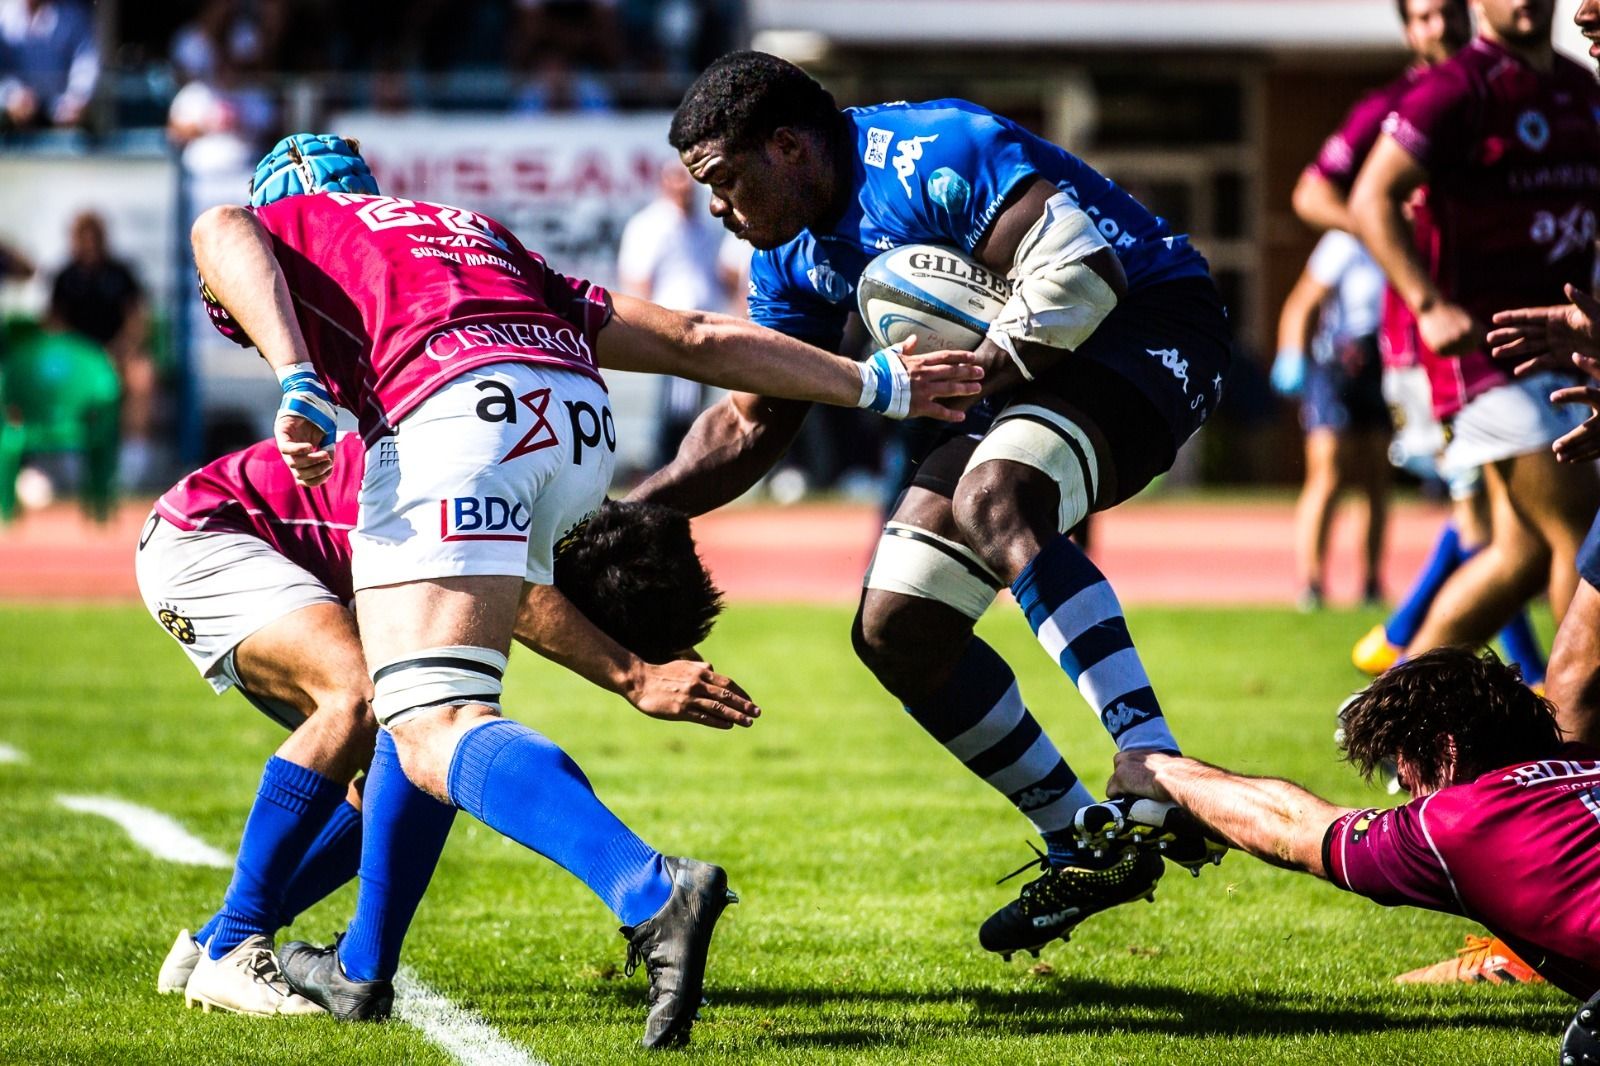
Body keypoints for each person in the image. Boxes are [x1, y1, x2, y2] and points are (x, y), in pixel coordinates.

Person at [189, 133, 979, 1045]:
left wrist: (296, 376)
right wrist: (873, 383)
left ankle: (649, 887)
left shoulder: (294, 225)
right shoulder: (466, 231)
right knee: (426, 710)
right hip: (574, 427)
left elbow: (221, 227)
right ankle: (363, 967)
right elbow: (694, 337)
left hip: (449, 412)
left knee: (435, 723)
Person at [634, 51, 1233, 961]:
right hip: (1016, 371)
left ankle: (1154, 760)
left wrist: (959, 376)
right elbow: (754, 426)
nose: (718, 208)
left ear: (788, 147)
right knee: (896, 626)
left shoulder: (932, 148)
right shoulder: (790, 255)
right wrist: (637, 511)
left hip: (1145, 323)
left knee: (999, 493)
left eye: (723, 182)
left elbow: (1081, 273)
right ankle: (1090, 843)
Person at [139, 434, 748, 1016]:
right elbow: (526, 596)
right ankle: (235, 946)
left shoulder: (561, 508)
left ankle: (223, 947)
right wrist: (633, 671)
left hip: (261, 541)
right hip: (210, 533)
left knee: (412, 745)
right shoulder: (523, 523)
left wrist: (655, 648)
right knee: (365, 698)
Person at [1106, 647, 1600, 1001]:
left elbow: (1292, 828)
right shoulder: (1586, 764)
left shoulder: (1458, 822)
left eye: (1404, 769)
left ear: (1447, 755)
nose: (1407, 792)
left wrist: (1162, 771)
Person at [1348, 0, 1600, 662]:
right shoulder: (1454, 89)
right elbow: (1368, 196)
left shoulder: (1579, 86)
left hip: (1569, 346)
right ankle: (1579, 723)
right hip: (1488, 355)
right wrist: (1427, 303)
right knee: (1579, 516)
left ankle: (1396, 717)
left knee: (1518, 555)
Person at [1271, 230, 1391, 610]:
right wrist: (1291, 352)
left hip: (1383, 362)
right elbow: (1302, 303)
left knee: (1376, 473)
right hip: (1338, 363)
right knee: (1328, 473)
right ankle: (1311, 582)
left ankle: (1372, 582)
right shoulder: (1344, 242)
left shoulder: (1406, 238)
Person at [617, 161, 737, 465]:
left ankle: (686, 464)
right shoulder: (651, 225)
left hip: (706, 324)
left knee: (693, 402)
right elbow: (637, 278)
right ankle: (666, 464)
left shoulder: (702, 226)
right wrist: (647, 325)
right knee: (677, 404)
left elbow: (719, 274)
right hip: (673, 325)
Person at [49, 212, 159, 489]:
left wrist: (119, 350)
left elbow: (137, 321)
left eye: (93, 236)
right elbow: (54, 326)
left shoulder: (121, 273)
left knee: (142, 375)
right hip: (77, 363)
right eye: (81, 236)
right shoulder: (64, 276)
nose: (88, 243)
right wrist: (84, 359)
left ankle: (131, 465)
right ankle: (70, 462)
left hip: (117, 356)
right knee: (58, 381)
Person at [0, 0, 97, 129]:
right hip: (11, 123)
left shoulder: (73, 15)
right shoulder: (3, 15)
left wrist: (77, 97)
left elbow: (86, 61)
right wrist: (10, 95)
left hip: (61, 117)